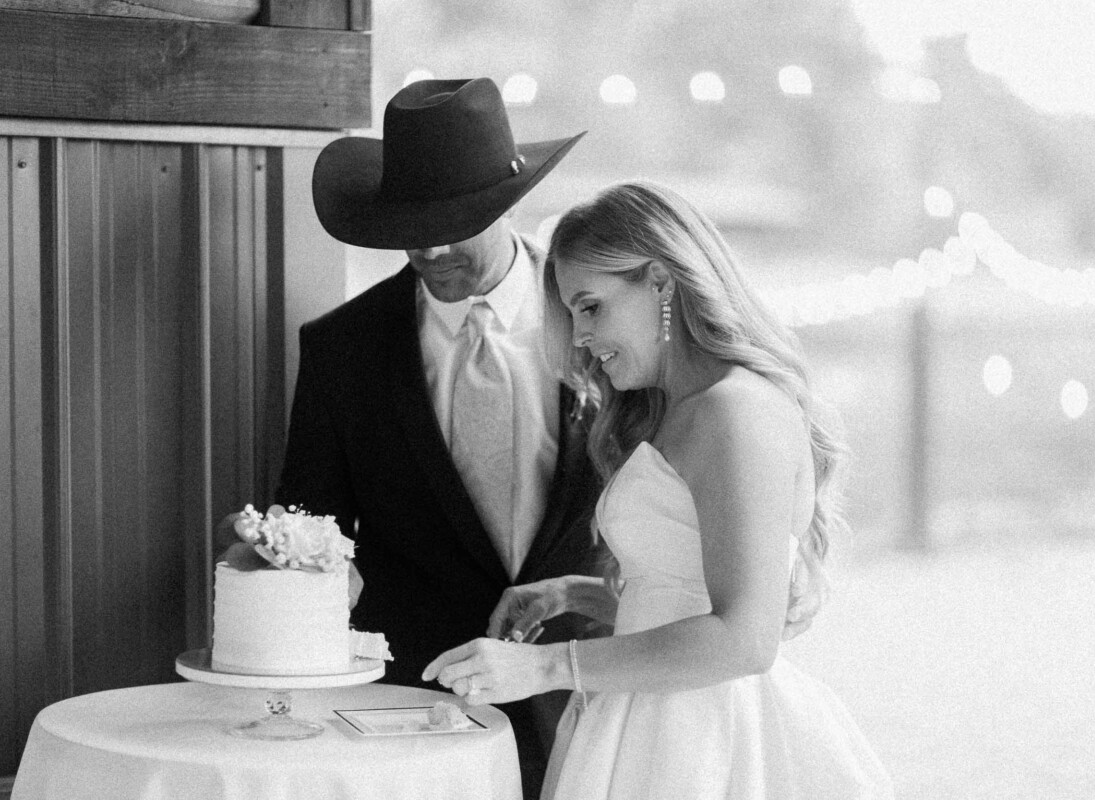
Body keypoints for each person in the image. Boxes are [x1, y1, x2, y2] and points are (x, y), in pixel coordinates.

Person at [422, 180, 895, 798]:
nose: (582, 337)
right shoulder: (676, 408)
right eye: (571, 314)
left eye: (590, 307)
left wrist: (543, 666)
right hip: (644, 718)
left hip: (704, 742)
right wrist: (575, 594)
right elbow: (682, 599)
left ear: (661, 281)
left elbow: (744, 638)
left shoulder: (734, 411)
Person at [279, 77, 607, 800]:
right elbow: (312, 531)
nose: (429, 247)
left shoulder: (600, 320)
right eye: (409, 225)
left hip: (596, 691)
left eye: (453, 220)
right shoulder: (344, 349)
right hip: (415, 713)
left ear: (506, 204)